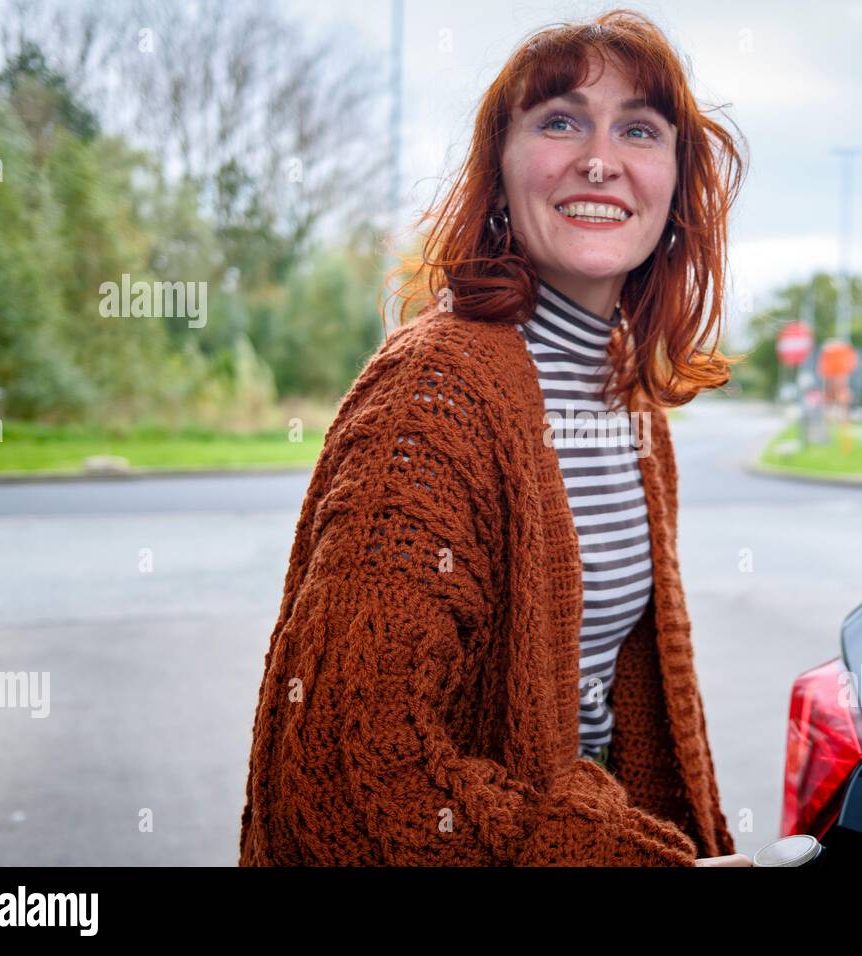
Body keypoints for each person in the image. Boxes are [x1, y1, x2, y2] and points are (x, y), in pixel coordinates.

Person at [239, 8, 751, 867]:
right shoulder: (432, 397)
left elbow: (616, 720)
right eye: (559, 121)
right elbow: (342, 773)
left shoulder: (629, 400)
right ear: (502, 174)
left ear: (673, 191)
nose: (600, 157)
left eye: (639, 129)